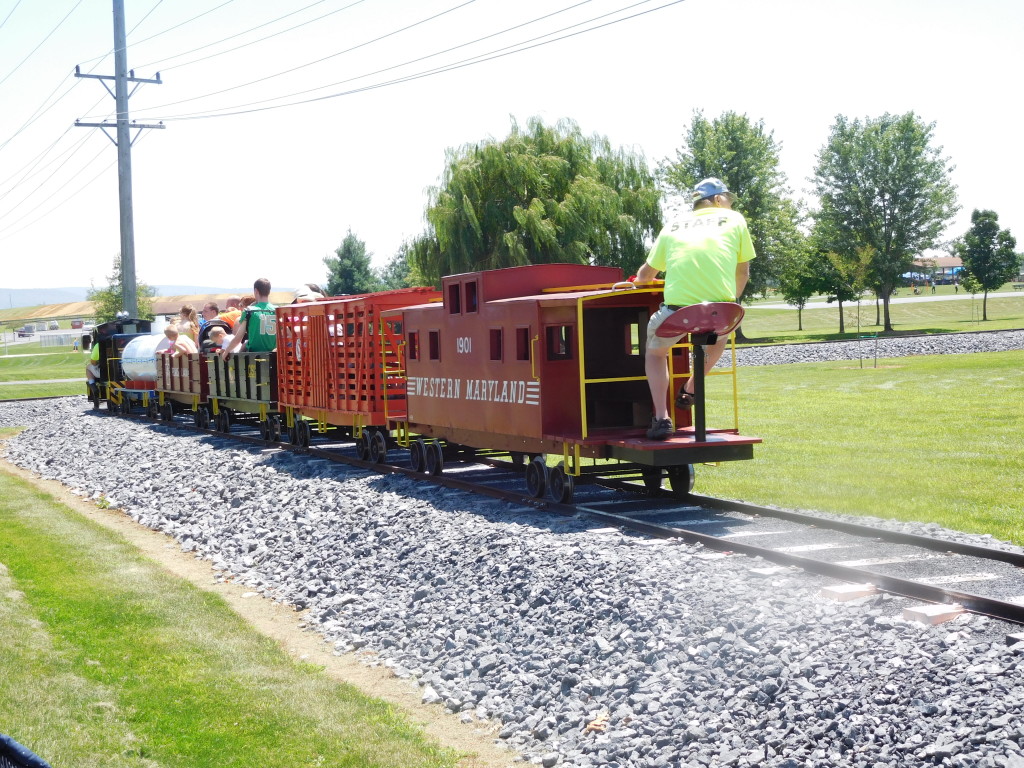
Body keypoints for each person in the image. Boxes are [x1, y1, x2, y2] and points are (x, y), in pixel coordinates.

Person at [636, 177, 755, 440]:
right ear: (718, 199)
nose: (730, 204)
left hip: (678, 312)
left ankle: (661, 418)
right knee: (719, 339)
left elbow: (647, 273)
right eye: (729, 200)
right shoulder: (734, 219)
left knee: (655, 353)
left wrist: (639, 282)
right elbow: (743, 271)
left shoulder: (673, 225)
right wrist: (729, 302)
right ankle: (690, 389)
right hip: (718, 310)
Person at [221, 278, 276, 358]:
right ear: (269, 291)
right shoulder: (277, 311)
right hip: (274, 356)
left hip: (255, 357)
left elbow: (238, 337)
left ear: (256, 291)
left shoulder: (249, 311)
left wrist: (226, 352)